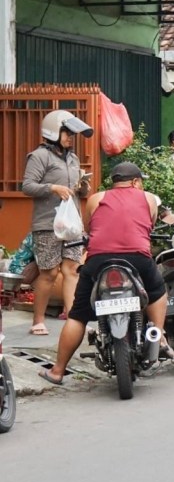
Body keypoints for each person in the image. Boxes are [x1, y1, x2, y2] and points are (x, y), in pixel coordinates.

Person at [37, 162, 172, 385]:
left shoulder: (96, 199)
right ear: (136, 181)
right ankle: (160, 337)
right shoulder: (148, 198)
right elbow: (150, 224)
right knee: (157, 291)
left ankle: (57, 371)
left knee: (78, 315)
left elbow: (89, 229)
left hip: (99, 260)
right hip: (137, 258)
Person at [21, 110, 93, 336]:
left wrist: (83, 188)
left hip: (71, 224)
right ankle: (38, 320)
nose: (71, 137)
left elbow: (78, 192)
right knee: (49, 273)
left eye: (72, 134)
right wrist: (52, 188)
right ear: (53, 131)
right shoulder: (39, 156)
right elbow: (27, 186)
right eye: (67, 133)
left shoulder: (73, 158)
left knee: (72, 269)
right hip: (47, 224)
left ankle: (73, 319)